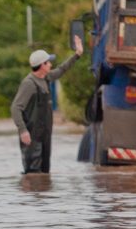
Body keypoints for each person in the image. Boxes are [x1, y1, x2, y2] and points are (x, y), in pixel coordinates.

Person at [11, 34, 84, 175]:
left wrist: (77, 54)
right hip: (32, 137)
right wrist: (23, 130)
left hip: (45, 135)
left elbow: (62, 69)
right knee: (33, 175)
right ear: (42, 66)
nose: (51, 64)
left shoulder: (46, 78)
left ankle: (44, 197)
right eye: (48, 62)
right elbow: (15, 108)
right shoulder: (29, 84)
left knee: (44, 175)